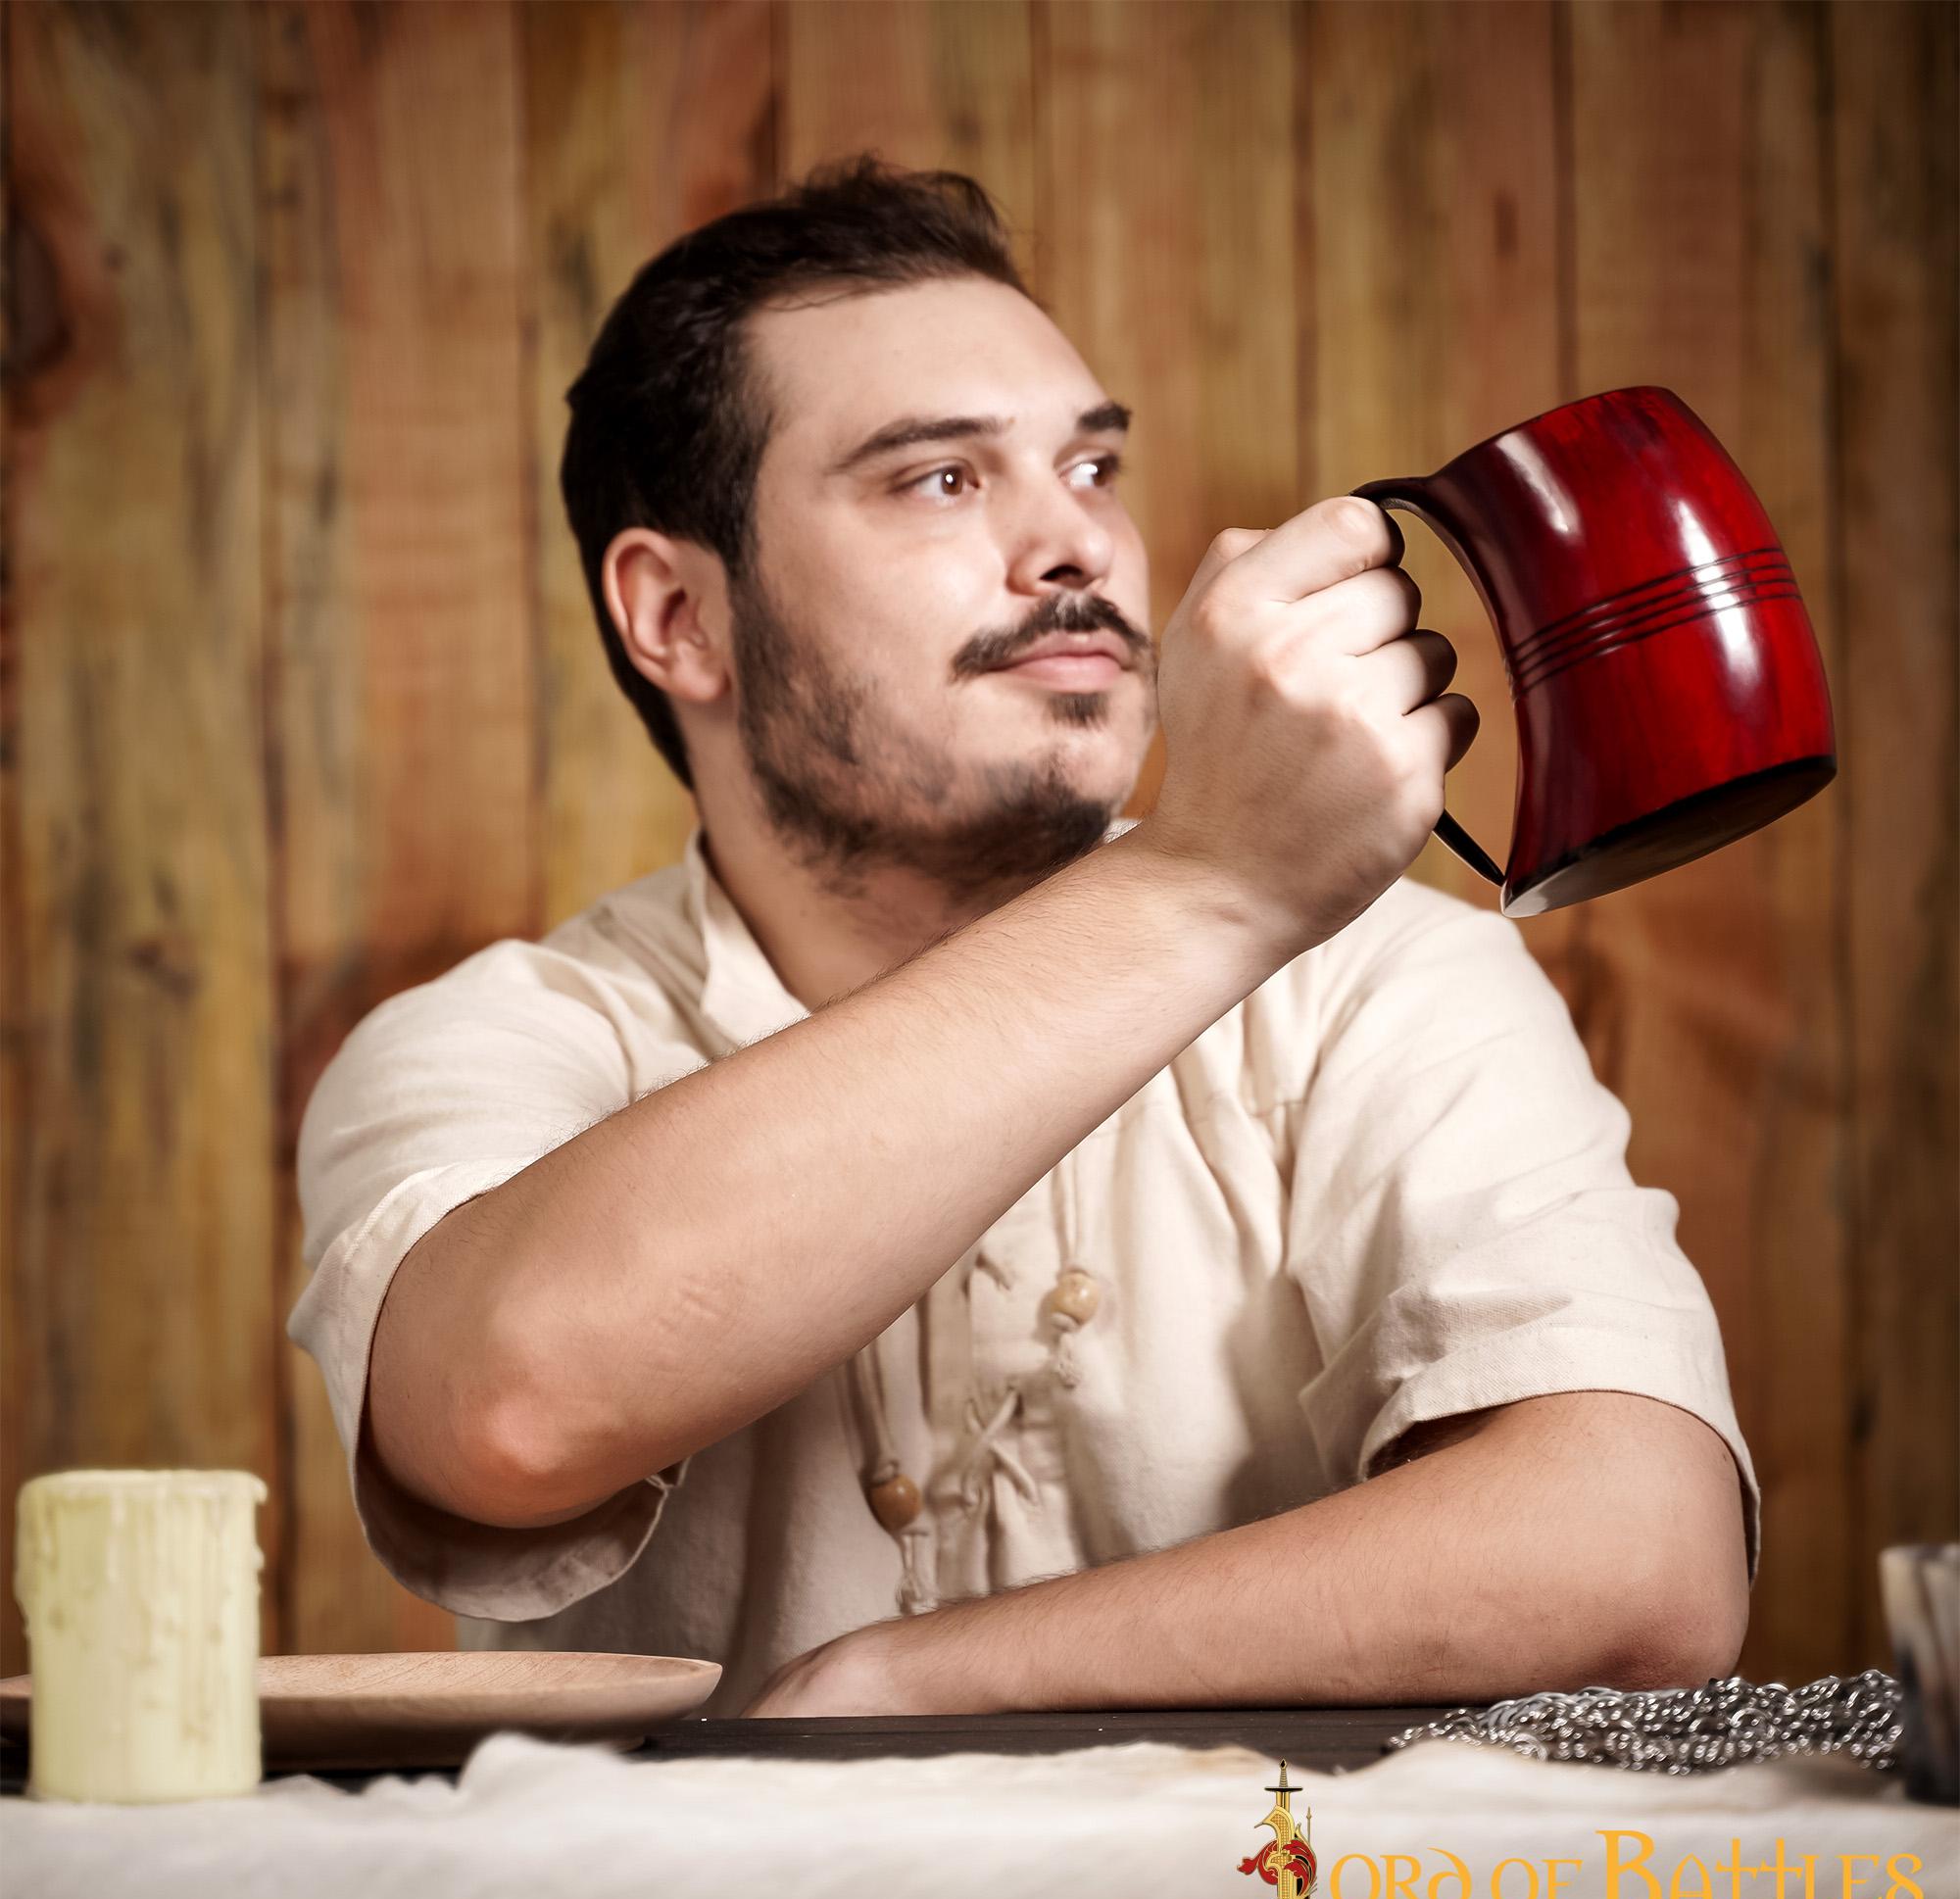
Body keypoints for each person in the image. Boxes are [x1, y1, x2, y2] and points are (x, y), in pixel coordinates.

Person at [289, 157, 1754, 1721]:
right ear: (677, 616)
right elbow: (507, 1410)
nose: (1079, 546)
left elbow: (1643, 1559)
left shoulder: (1380, 979)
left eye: (1093, 467)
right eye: (940, 478)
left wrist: (909, 1683)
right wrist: (1208, 884)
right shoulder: (504, 1038)